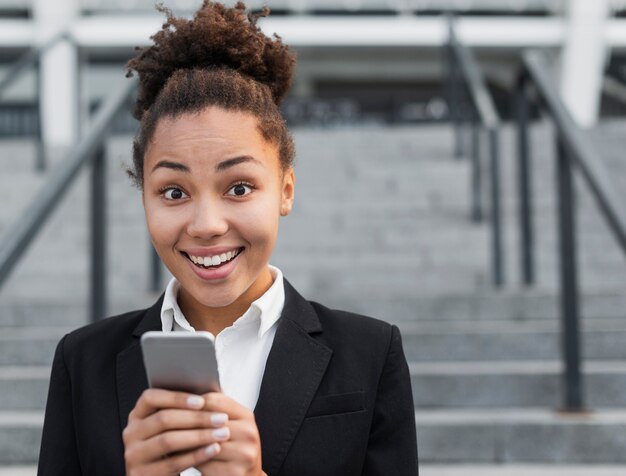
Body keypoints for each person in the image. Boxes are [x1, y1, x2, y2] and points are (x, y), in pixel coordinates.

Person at [37, 2, 418, 475]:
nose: (206, 224)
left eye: (239, 187)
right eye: (173, 192)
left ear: (285, 190)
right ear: (144, 200)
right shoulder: (83, 363)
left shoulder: (369, 353)